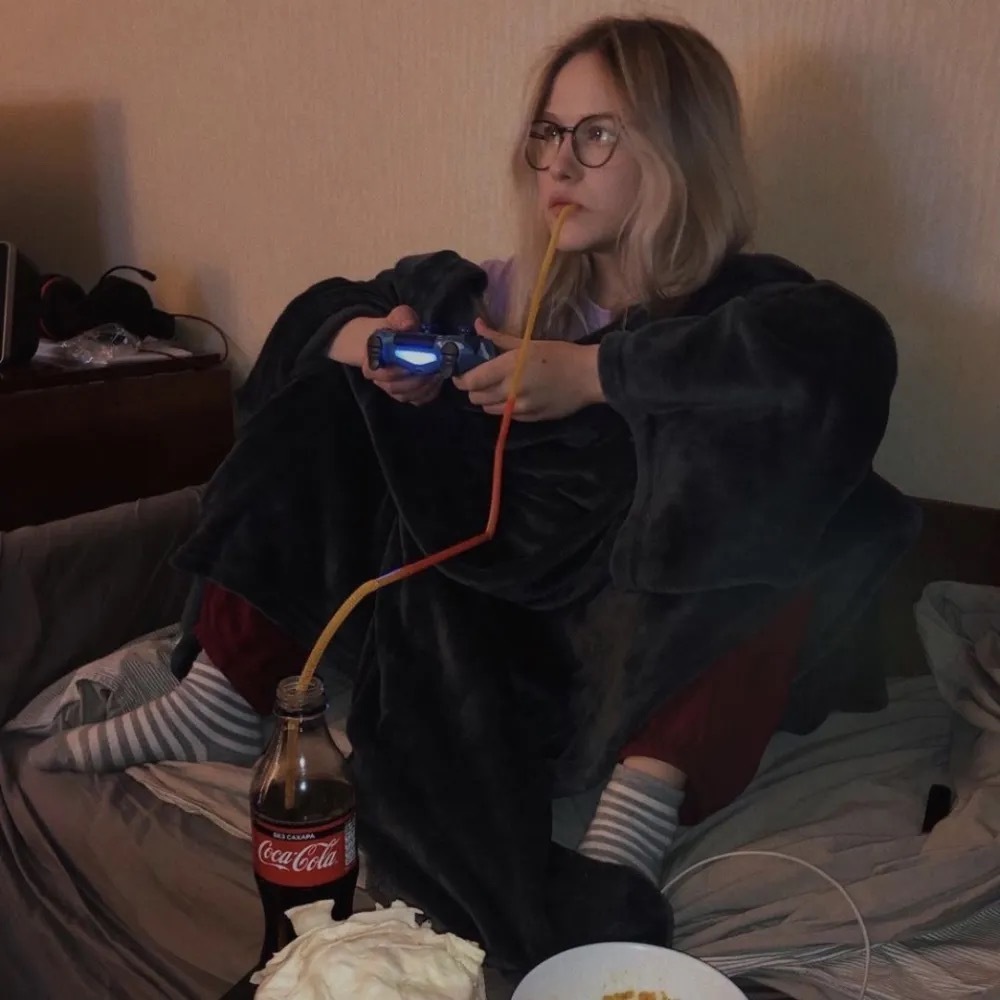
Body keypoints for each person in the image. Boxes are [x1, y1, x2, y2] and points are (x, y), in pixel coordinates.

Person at [30, 14, 915, 950]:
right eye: (548, 132)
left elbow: (842, 356)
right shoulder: (493, 292)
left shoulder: (744, 307)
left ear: (677, 148)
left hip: (623, 639)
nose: (558, 164)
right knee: (333, 398)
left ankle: (641, 802)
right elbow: (314, 320)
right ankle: (221, 697)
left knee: (785, 477)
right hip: (478, 628)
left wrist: (594, 376)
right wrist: (378, 349)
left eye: (597, 134)